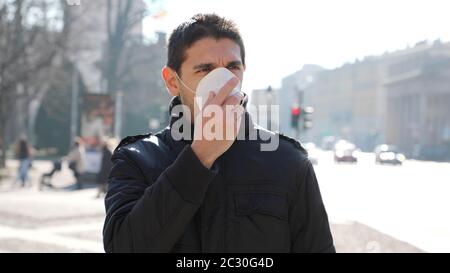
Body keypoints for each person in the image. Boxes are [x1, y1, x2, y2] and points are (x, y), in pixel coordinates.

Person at [103, 14, 335, 253]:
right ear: (173, 81)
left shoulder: (287, 161)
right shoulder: (138, 159)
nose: (224, 81)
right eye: (206, 70)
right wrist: (199, 157)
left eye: (233, 67)